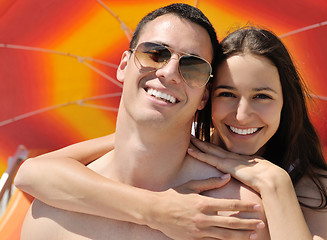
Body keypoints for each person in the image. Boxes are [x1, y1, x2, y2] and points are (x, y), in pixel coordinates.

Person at [16, 4, 268, 240]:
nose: (168, 73)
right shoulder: (51, 210)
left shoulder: (233, 213)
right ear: (124, 65)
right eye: (155, 54)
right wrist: (155, 209)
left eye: (192, 66)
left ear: (204, 95)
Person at [189, 26, 327, 239]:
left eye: (261, 96)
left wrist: (274, 183)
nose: (242, 115)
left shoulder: (315, 189)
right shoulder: (180, 157)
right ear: (208, 98)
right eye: (227, 94)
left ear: (286, 101)